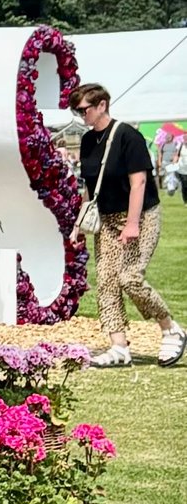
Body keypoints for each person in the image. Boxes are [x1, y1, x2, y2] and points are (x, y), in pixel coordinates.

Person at [76, 81, 182, 368]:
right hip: (108, 220)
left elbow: (139, 182)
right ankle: (118, 346)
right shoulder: (87, 142)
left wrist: (133, 223)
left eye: (84, 109)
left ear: (102, 105)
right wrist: (79, 225)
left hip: (141, 215)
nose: (80, 115)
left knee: (130, 277)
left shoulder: (127, 136)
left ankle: (170, 328)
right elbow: (90, 187)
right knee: (107, 282)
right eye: (77, 110)